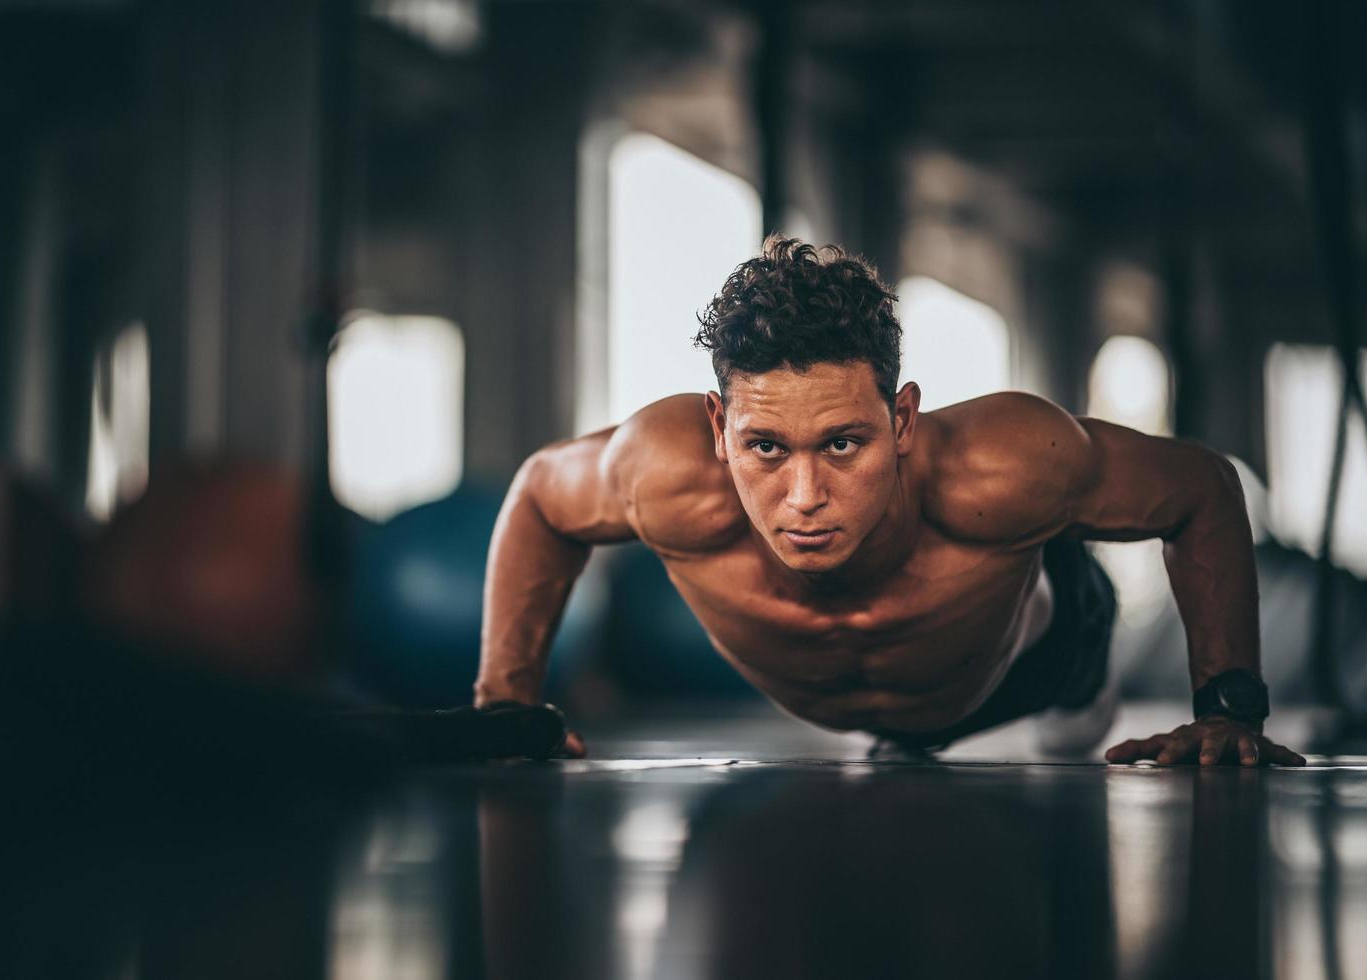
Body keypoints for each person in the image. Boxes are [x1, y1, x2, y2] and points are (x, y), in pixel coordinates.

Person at [474, 236, 1305, 767]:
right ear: (720, 426)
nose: (804, 499)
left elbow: (1201, 485)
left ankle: (1078, 669)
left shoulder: (1004, 463)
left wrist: (1228, 709)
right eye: (766, 448)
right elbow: (541, 497)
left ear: (901, 419)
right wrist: (504, 706)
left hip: (1035, 662)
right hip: (885, 718)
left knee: (1074, 740)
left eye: (842, 444)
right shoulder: (659, 473)